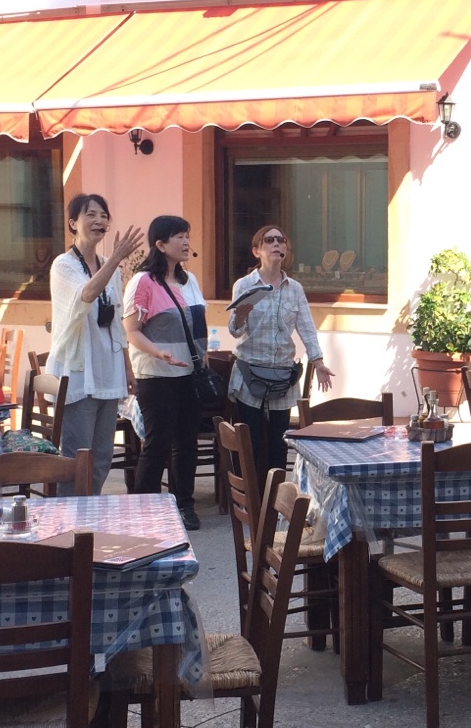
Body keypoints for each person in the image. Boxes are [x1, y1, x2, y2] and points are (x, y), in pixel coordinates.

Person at [46, 194, 144, 492]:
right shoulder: (63, 265)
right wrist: (116, 259)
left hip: (108, 371)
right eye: (90, 214)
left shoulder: (107, 266)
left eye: (103, 215)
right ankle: (69, 516)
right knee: (77, 456)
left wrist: (127, 367)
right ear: (73, 223)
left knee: (102, 457)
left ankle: (91, 513)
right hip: (79, 373)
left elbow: (116, 321)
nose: (99, 220)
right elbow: (85, 296)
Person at [121, 215, 208, 530]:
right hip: (156, 375)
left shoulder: (189, 280)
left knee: (187, 443)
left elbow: (196, 323)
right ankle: (144, 510)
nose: (186, 242)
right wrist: (159, 352)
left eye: (187, 235)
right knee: (158, 444)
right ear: (160, 244)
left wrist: (202, 354)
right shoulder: (143, 282)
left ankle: (184, 505)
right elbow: (132, 330)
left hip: (189, 374)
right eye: (178, 236)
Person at [225, 224, 333, 475]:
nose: (276, 244)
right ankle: (250, 496)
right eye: (269, 240)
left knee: (278, 444)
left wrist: (318, 362)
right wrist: (240, 317)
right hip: (250, 374)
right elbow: (235, 331)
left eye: (281, 240)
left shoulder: (294, 288)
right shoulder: (244, 285)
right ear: (257, 251)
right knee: (251, 442)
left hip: (282, 375)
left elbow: (306, 328)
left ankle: (275, 496)